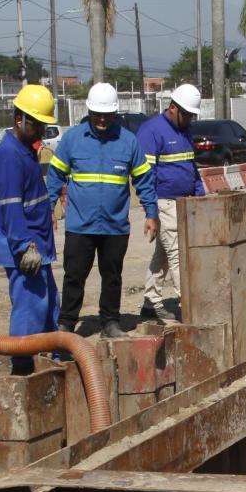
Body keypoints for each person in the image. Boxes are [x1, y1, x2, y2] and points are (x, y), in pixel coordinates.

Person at [45, 82, 158, 338]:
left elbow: (143, 180)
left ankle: (110, 322)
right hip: (79, 225)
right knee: (74, 276)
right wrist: (47, 209)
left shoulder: (129, 142)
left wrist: (151, 214)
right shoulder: (73, 139)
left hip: (114, 226)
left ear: (115, 113)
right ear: (89, 111)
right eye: (98, 115)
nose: (102, 120)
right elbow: (54, 176)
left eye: (107, 115)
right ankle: (67, 323)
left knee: (112, 276)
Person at [0, 84, 59, 372]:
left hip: (37, 245)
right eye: (37, 125)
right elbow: (12, 207)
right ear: (20, 119)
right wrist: (23, 247)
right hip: (25, 250)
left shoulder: (24, 150)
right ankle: (23, 368)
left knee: (48, 306)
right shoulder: (9, 155)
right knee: (30, 310)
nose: (42, 131)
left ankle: (48, 360)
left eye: (44, 125)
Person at [136, 82, 205, 321]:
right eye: (186, 115)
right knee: (178, 254)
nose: (189, 119)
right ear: (173, 107)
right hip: (164, 202)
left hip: (184, 203)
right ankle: (189, 304)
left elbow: (190, 167)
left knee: (164, 254)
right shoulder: (151, 131)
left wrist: (199, 194)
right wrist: (151, 211)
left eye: (192, 116)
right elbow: (145, 176)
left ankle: (150, 301)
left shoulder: (185, 130)